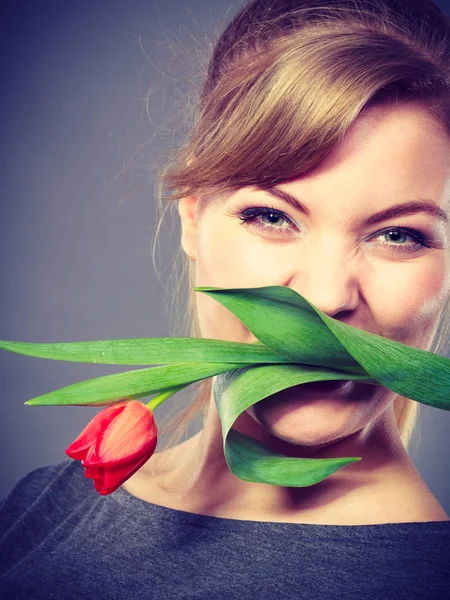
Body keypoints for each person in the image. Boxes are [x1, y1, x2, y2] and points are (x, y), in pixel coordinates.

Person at [1, 0, 450, 598]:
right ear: (192, 215)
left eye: (399, 235)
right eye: (271, 216)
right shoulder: (44, 503)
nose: (324, 297)